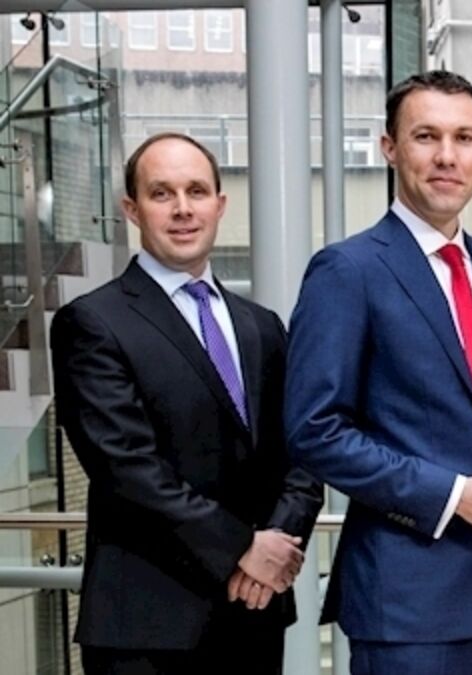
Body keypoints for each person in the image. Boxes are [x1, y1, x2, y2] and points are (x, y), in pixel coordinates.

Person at [284, 70, 472, 675]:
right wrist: (455, 497)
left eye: (464, 138)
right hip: (405, 605)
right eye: (426, 136)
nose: (446, 156)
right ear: (390, 147)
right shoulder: (347, 271)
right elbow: (314, 430)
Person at [51, 132, 324, 675]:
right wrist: (243, 548)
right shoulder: (92, 323)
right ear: (132, 209)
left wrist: (274, 550)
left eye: (196, 191)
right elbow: (127, 469)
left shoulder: (262, 326)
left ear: (219, 205)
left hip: (254, 614)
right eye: (161, 193)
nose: (182, 209)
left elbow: (303, 449)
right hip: (147, 628)